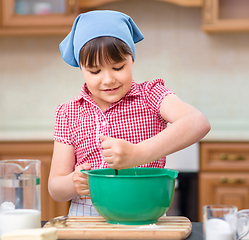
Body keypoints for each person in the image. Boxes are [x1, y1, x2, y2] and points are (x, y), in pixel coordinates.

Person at [48, 10, 211, 216]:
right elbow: (55, 187)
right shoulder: (68, 113)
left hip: (144, 211)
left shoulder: (151, 95)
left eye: (118, 67)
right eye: (95, 71)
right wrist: (72, 183)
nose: (107, 80)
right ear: (81, 68)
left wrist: (138, 154)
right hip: (87, 218)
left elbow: (198, 122)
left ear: (131, 59)